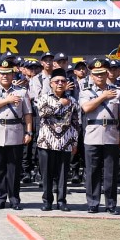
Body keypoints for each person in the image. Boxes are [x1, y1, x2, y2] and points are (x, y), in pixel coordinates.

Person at [79, 58, 120, 215]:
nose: (100, 77)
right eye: (96, 74)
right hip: (93, 134)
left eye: (102, 73)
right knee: (92, 171)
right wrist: (103, 96)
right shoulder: (85, 92)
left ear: (107, 73)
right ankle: (93, 203)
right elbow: (86, 108)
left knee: (111, 171)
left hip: (111, 134)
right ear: (92, 76)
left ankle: (111, 204)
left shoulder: (118, 92)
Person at [0, 59, 33, 210]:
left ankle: (14, 198)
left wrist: (29, 131)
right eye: (2, 74)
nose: (5, 76)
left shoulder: (22, 92)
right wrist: (7, 100)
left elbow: (28, 113)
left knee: (14, 169)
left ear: (13, 74)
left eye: (8, 73)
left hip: (15, 132)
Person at [34, 68, 80, 212]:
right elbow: (43, 113)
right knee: (46, 173)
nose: (60, 84)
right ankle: (47, 200)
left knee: (62, 174)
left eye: (63, 81)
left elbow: (75, 122)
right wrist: (60, 103)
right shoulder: (43, 97)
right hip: (46, 142)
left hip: (65, 142)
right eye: (57, 81)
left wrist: (74, 142)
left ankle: (61, 201)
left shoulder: (72, 100)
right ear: (51, 83)